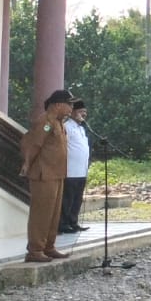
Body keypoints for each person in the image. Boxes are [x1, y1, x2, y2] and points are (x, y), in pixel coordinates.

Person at [20, 89, 74, 261]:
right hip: (43, 174)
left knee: (54, 214)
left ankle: (49, 246)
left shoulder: (59, 123)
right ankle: (35, 250)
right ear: (58, 105)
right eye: (69, 104)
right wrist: (27, 163)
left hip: (57, 174)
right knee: (41, 213)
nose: (71, 108)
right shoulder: (45, 121)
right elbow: (34, 144)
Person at [60, 99, 91, 235]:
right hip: (70, 170)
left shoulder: (81, 128)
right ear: (72, 113)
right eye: (80, 112)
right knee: (68, 198)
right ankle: (64, 224)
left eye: (85, 112)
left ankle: (73, 222)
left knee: (77, 199)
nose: (83, 114)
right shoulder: (66, 127)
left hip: (81, 170)